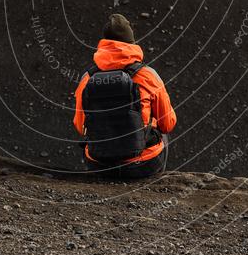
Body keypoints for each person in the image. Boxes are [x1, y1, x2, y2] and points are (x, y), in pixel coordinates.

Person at [73, 14, 176, 179]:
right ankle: (153, 181)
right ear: (132, 42)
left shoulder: (87, 78)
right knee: (162, 133)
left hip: (99, 165)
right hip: (142, 165)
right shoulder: (148, 75)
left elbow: (80, 126)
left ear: (104, 43)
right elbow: (168, 124)